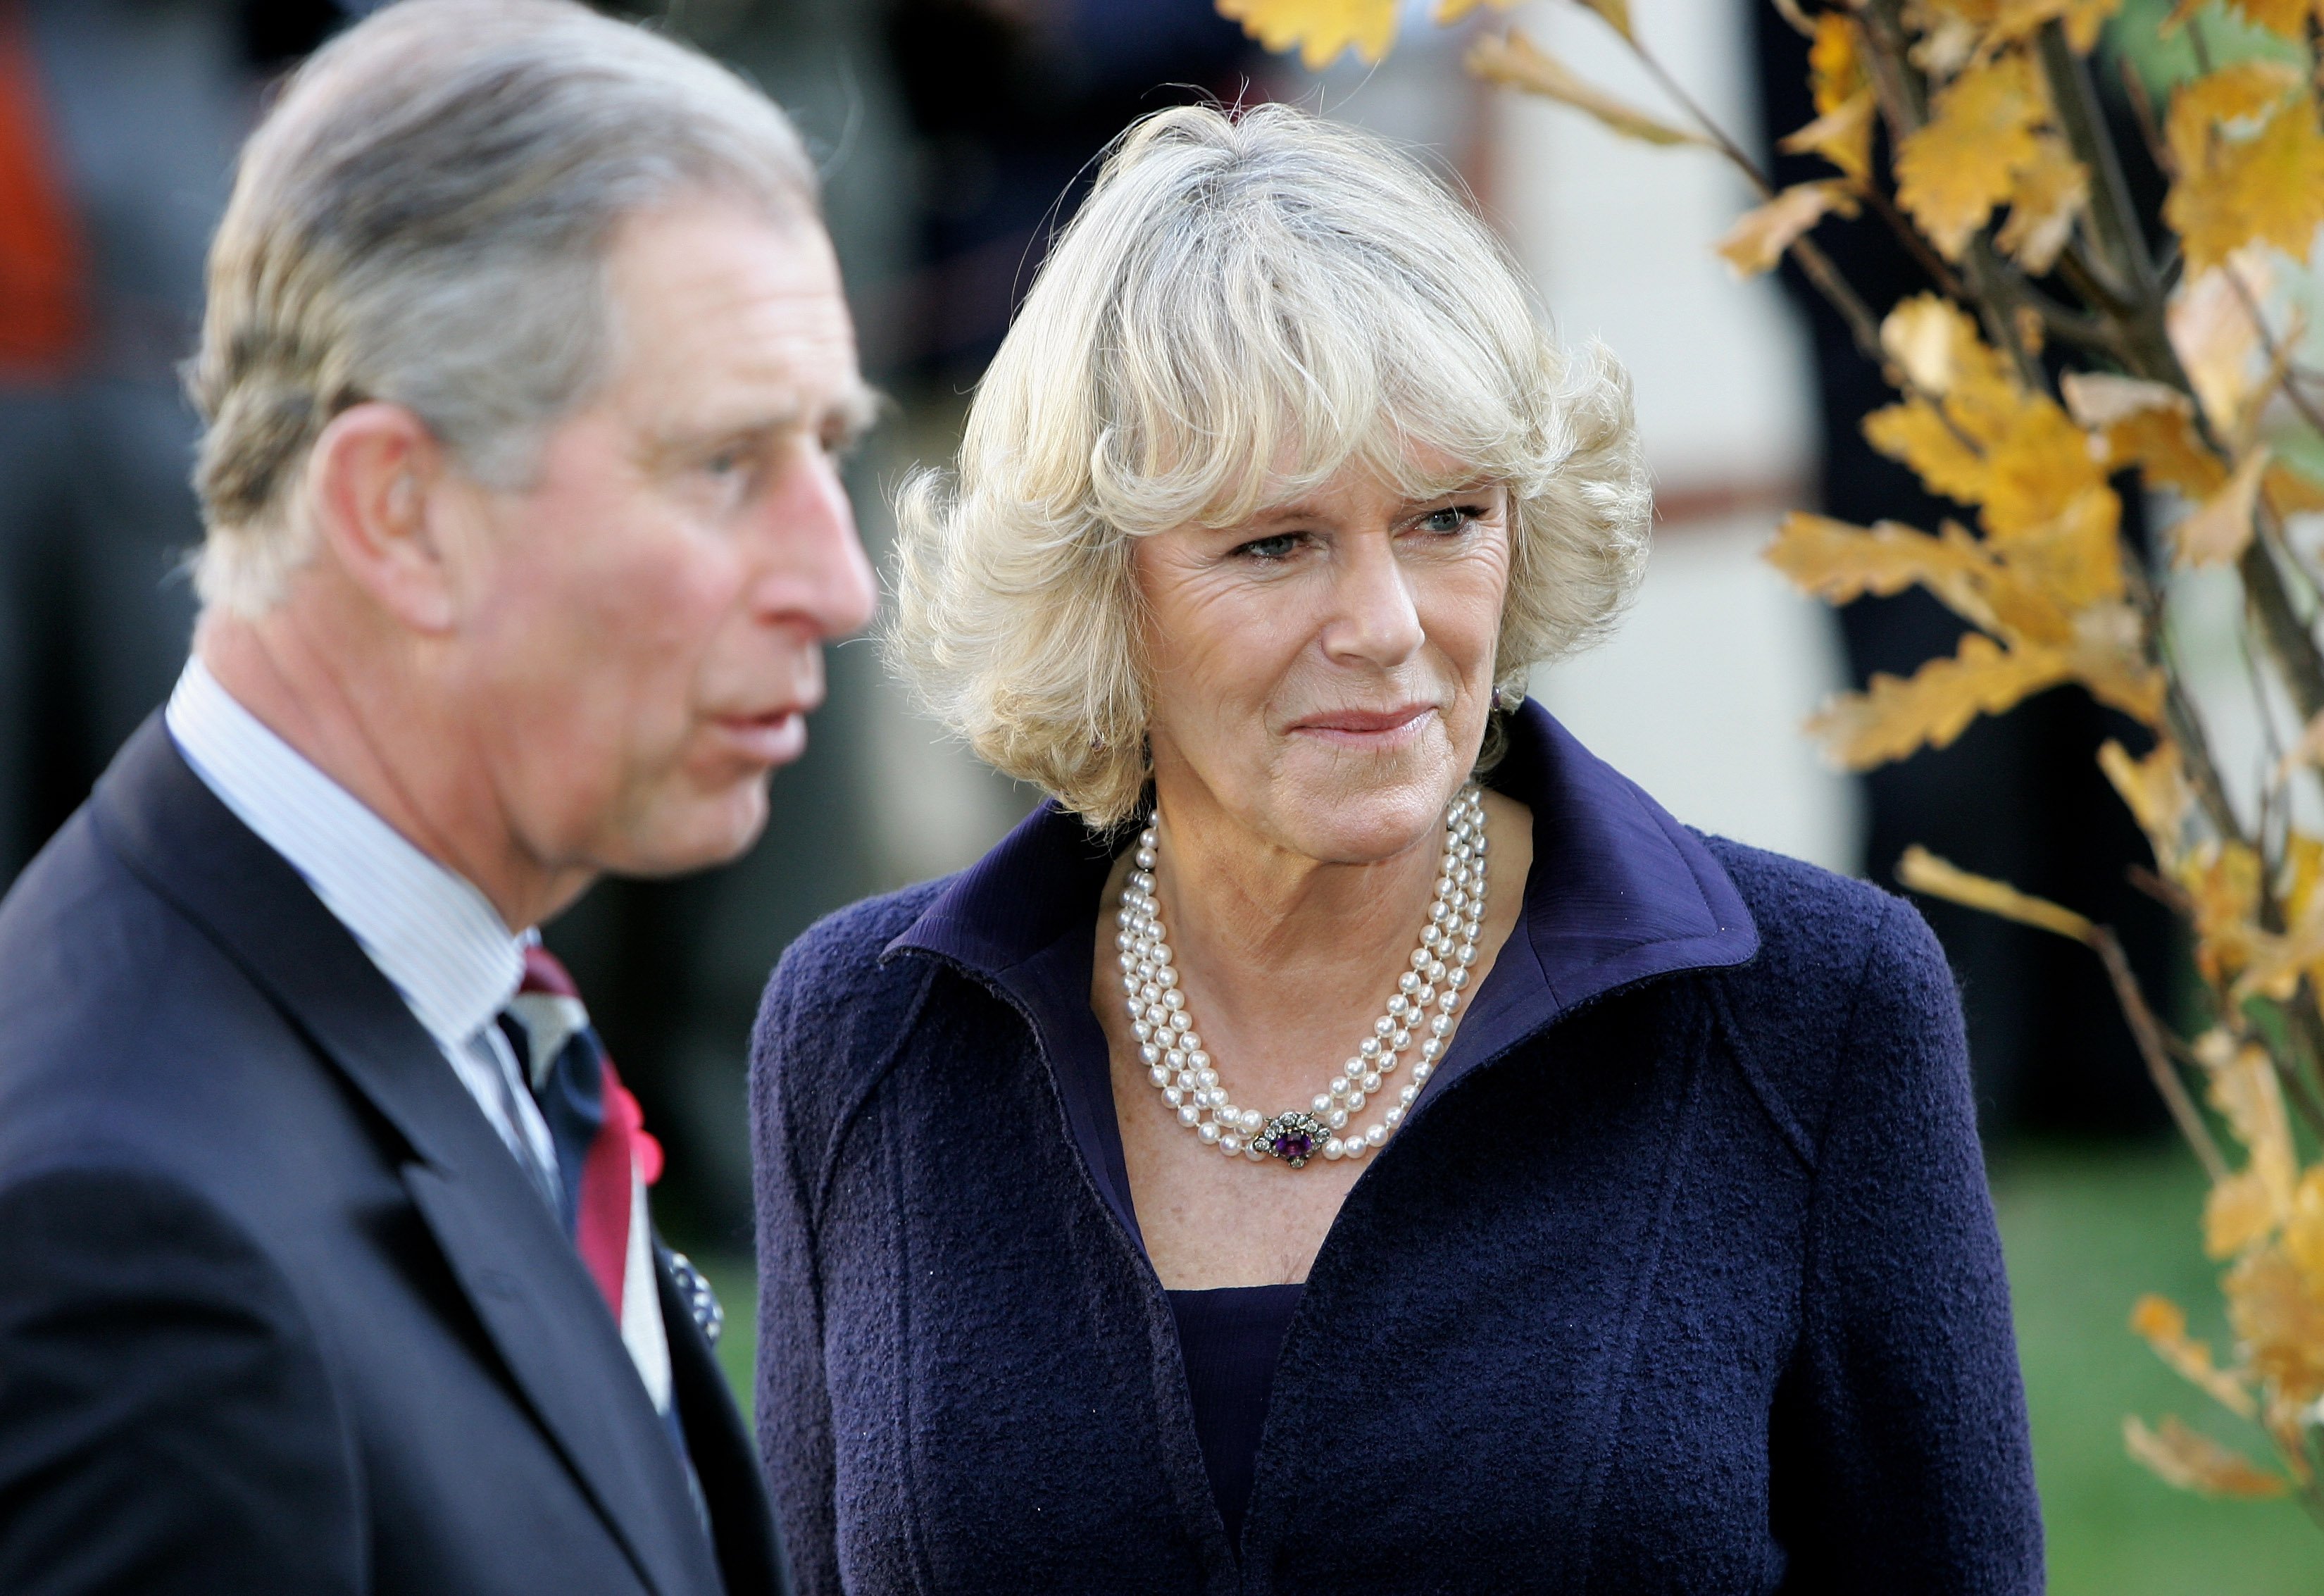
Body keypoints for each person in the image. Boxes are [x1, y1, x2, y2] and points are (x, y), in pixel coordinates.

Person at [751, 104, 2041, 1594]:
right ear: (1103, 592)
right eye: (1275, 542)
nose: (1387, 626)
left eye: (1443, 519)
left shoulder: (1816, 1008)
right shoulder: (868, 1037)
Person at [0, 2, 877, 1591]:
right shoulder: (128, 1230)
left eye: (830, 448)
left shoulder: (458, 997)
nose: (841, 580)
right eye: (726, 464)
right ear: (397, 511)